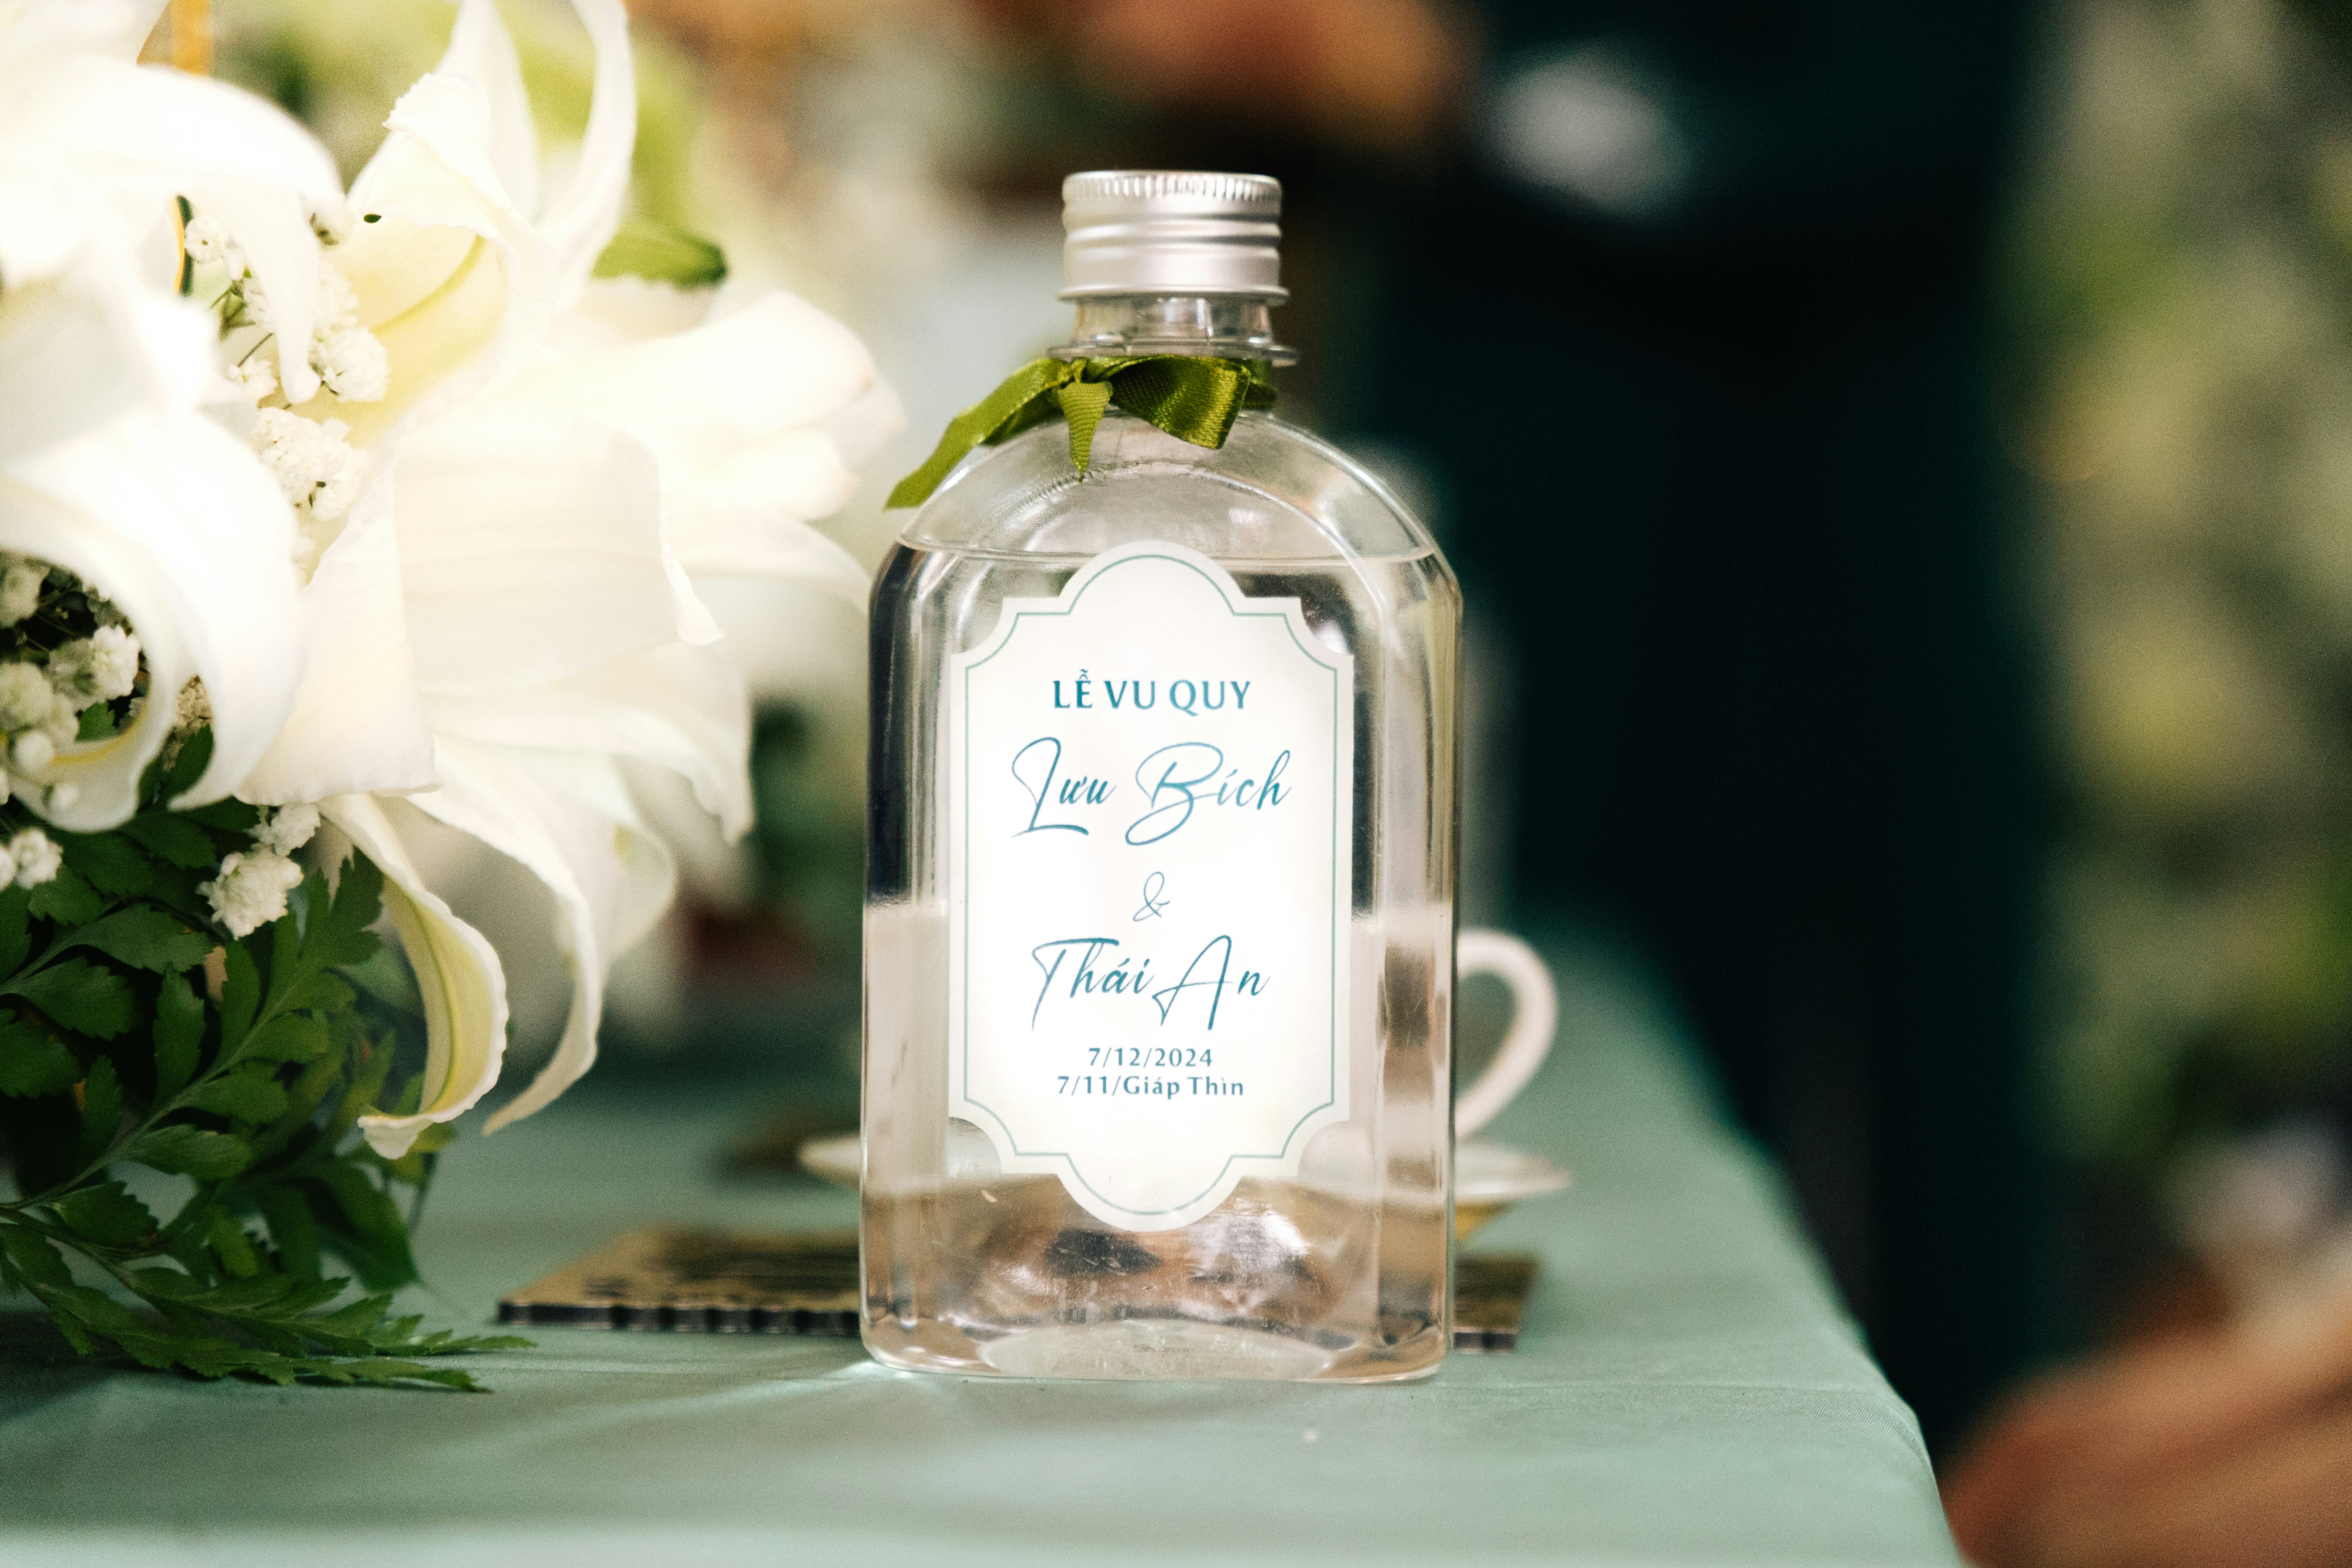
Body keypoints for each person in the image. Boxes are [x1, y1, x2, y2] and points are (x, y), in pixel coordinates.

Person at [981, 0, 2049, 1451]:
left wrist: (1429, 83)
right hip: (1446, 487)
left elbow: (1893, 138)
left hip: (1788, 542)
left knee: (1809, 1127)